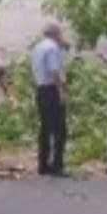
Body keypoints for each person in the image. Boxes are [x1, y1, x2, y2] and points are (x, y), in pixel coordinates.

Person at [30, 22, 68, 177]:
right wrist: (61, 92)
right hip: (51, 90)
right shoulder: (52, 48)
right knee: (60, 129)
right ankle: (57, 165)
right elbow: (54, 71)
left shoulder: (38, 47)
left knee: (45, 128)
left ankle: (43, 165)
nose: (62, 36)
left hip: (41, 89)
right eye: (60, 33)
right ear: (55, 34)